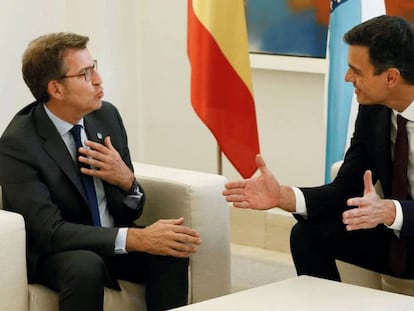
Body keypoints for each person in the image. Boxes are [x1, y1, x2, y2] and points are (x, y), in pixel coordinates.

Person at [0, 32, 201, 311]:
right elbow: (49, 232)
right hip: (58, 251)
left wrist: (127, 181)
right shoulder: (18, 144)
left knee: (171, 246)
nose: (98, 80)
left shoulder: (106, 116)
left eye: (94, 67)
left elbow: (132, 210)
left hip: (110, 239)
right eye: (85, 74)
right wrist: (134, 238)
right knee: (85, 266)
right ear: (56, 89)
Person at [223, 15, 414, 281]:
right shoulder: (374, 112)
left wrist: (392, 211)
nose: (347, 78)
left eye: (356, 71)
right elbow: (346, 188)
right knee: (308, 235)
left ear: (391, 77)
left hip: (404, 222)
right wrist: (282, 196)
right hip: (400, 239)